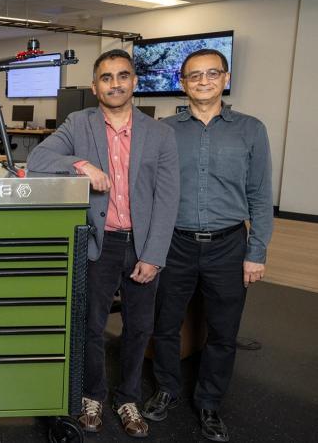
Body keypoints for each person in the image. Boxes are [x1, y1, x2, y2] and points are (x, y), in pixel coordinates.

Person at [27, 49, 179, 438]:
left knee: (139, 327)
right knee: (91, 325)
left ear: (134, 82)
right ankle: (92, 395)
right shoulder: (79, 123)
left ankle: (128, 398)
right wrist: (82, 165)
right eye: (106, 78)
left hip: (142, 244)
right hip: (99, 243)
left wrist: (154, 255)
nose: (115, 84)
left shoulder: (160, 133)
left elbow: (167, 199)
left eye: (122, 75)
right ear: (95, 86)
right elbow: (38, 159)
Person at [141, 49, 273, 443]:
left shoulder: (251, 129)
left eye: (212, 73)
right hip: (174, 244)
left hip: (229, 246)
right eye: (194, 75)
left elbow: (261, 195)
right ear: (182, 83)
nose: (203, 81)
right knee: (165, 325)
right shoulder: (163, 130)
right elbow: (148, 192)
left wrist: (256, 252)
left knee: (223, 332)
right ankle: (166, 388)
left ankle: (210, 402)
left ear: (225, 78)